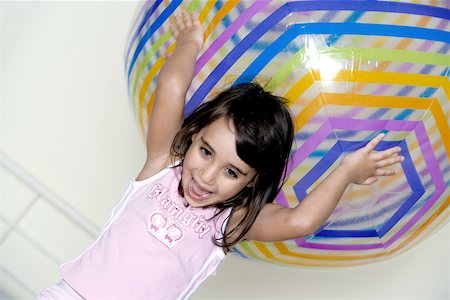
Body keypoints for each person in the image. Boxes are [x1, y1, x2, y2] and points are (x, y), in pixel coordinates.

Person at [37, 11, 404, 300]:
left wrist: (346, 170)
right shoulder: (163, 163)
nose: (206, 176)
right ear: (192, 136)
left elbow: (299, 222)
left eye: (231, 171)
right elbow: (173, 84)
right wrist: (189, 44)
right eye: (206, 151)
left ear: (251, 181)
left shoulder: (228, 223)